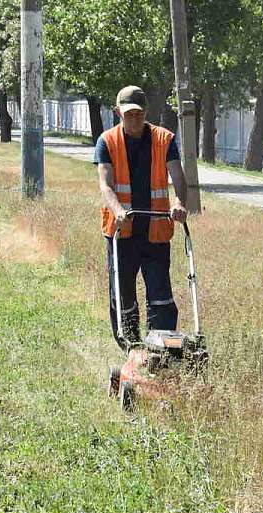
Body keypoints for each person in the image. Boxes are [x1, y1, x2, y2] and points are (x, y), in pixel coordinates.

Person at [94, 86, 189, 350]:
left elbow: (178, 177)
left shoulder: (164, 140)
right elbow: (106, 184)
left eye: (138, 114)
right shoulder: (107, 142)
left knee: (160, 294)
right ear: (118, 113)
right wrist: (118, 210)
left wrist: (180, 202)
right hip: (121, 232)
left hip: (156, 229)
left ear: (146, 112)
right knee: (123, 294)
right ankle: (131, 347)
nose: (133, 119)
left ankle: (162, 348)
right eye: (128, 114)